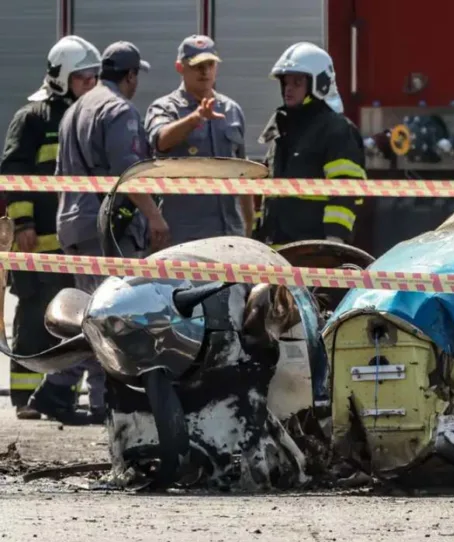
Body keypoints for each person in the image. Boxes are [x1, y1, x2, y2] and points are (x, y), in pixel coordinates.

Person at [54, 41, 170, 418]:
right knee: (113, 318)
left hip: (73, 224)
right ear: (130, 75)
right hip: (106, 230)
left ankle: (64, 391)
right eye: (137, 76)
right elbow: (127, 171)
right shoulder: (119, 110)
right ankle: (97, 398)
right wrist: (154, 216)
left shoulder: (74, 109)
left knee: (90, 315)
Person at [0, 35, 102, 424]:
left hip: (71, 244)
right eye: (82, 77)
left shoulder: (87, 116)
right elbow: (13, 172)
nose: (89, 84)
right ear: (61, 78)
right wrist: (23, 222)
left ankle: (61, 395)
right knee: (32, 317)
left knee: (71, 319)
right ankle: (25, 396)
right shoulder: (33, 117)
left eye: (93, 77)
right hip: (36, 242)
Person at [254, 42, 367, 248]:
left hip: (314, 249)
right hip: (275, 247)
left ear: (319, 84)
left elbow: (346, 189)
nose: (288, 89)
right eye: (285, 82)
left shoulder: (336, 130)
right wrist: (258, 235)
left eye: (297, 82)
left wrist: (334, 239)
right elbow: (267, 191)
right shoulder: (282, 128)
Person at [144, 34, 254, 245]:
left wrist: (248, 224)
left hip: (230, 232)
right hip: (185, 236)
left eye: (210, 65)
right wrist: (195, 118)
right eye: (197, 66)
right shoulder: (165, 108)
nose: (205, 72)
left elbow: (244, 171)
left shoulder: (231, 110)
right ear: (180, 67)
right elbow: (160, 141)